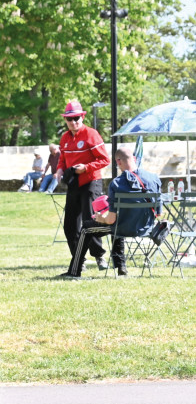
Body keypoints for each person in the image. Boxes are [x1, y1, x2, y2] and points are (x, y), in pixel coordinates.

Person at [62, 145, 163, 279]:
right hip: (146, 227)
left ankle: (74, 271)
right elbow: (159, 212)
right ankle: (121, 267)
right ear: (134, 158)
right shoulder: (154, 178)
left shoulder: (116, 184)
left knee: (88, 227)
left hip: (122, 228)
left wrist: (99, 218)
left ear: (118, 162)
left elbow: (110, 220)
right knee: (119, 222)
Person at [54, 100, 111, 274]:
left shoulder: (91, 134)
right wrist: (59, 170)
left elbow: (105, 160)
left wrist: (86, 168)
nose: (73, 122)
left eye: (77, 118)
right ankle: (79, 259)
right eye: (70, 119)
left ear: (82, 117)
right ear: (65, 120)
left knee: (91, 221)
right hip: (73, 183)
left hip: (90, 182)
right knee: (70, 225)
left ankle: (99, 255)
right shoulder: (64, 137)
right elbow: (63, 158)